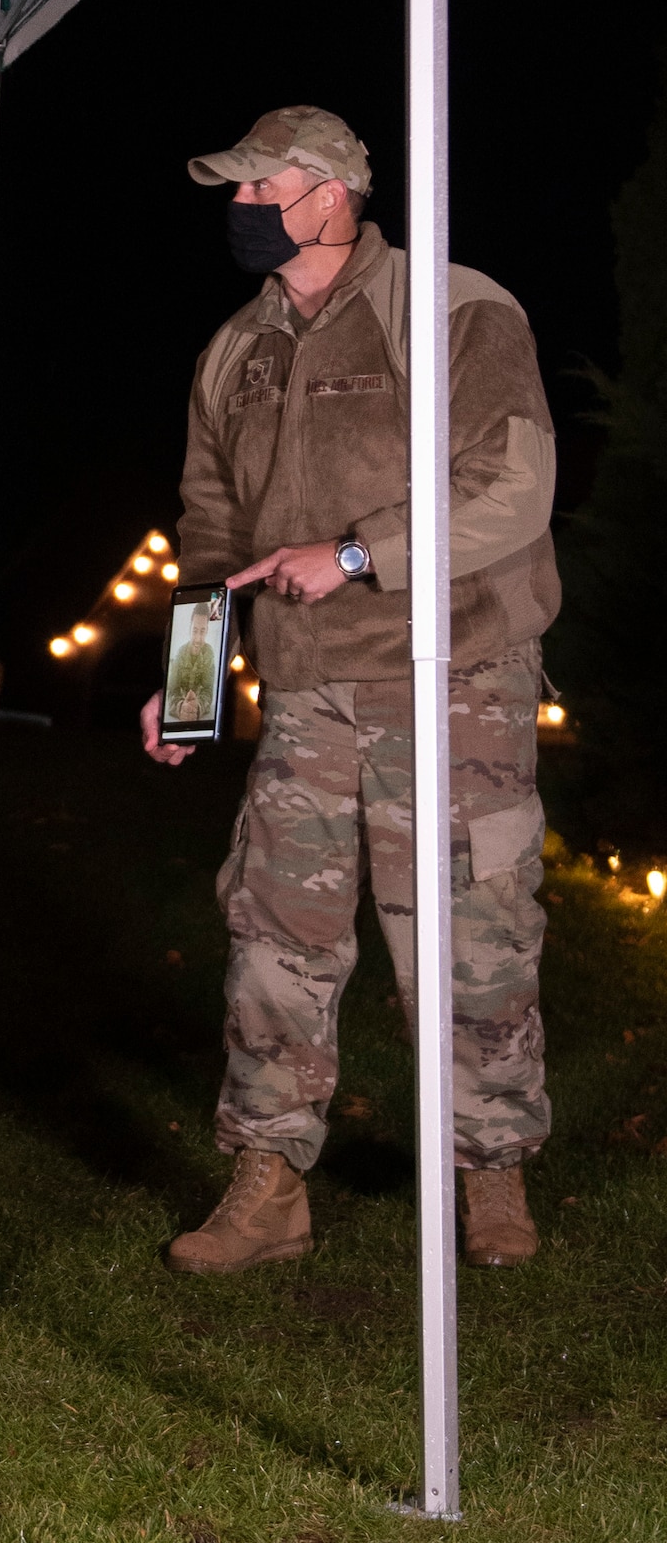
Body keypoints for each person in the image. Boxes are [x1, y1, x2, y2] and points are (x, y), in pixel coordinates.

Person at [141, 107, 560, 1275]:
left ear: (330, 195)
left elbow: (510, 486)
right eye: (228, 191)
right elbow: (210, 528)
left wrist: (361, 551)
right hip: (309, 691)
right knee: (275, 936)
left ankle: (490, 1176)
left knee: (468, 932)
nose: (237, 209)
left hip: (452, 678)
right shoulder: (237, 349)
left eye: (256, 188)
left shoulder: (453, 307)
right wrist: (187, 688)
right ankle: (268, 1185)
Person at [165, 600, 219, 723]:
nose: (198, 639)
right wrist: (180, 708)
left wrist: (198, 708)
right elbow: (172, 689)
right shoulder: (179, 654)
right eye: (195, 631)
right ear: (189, 629)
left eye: (202, 631)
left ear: (207, 631)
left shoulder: (210, 656)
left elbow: (208, 691)